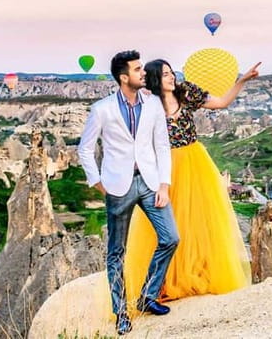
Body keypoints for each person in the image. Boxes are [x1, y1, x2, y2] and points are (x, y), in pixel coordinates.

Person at [124, 59, 261, 304]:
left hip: (195, 163)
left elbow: (220, 103)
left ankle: (199, 273)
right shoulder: (148, 106)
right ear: (155, 79)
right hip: (166, 168)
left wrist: (241, 81)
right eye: (165, 74)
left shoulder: (186, 93)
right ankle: (164, 284)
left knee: (199, 220)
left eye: (171, 72)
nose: (171, 77)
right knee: (168, 224)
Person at [78, 50, 179, 336]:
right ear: (124, 78)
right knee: (116, 253)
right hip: (117, 187)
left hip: (149, 182)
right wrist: (96, 181)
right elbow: (85, 148)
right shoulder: (102, 109)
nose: (143, 73)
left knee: (171, 237)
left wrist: (164, 184)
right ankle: (121, 312)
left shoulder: (153, 105)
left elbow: (162, 145)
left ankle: (148, 296)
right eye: (137, 70)